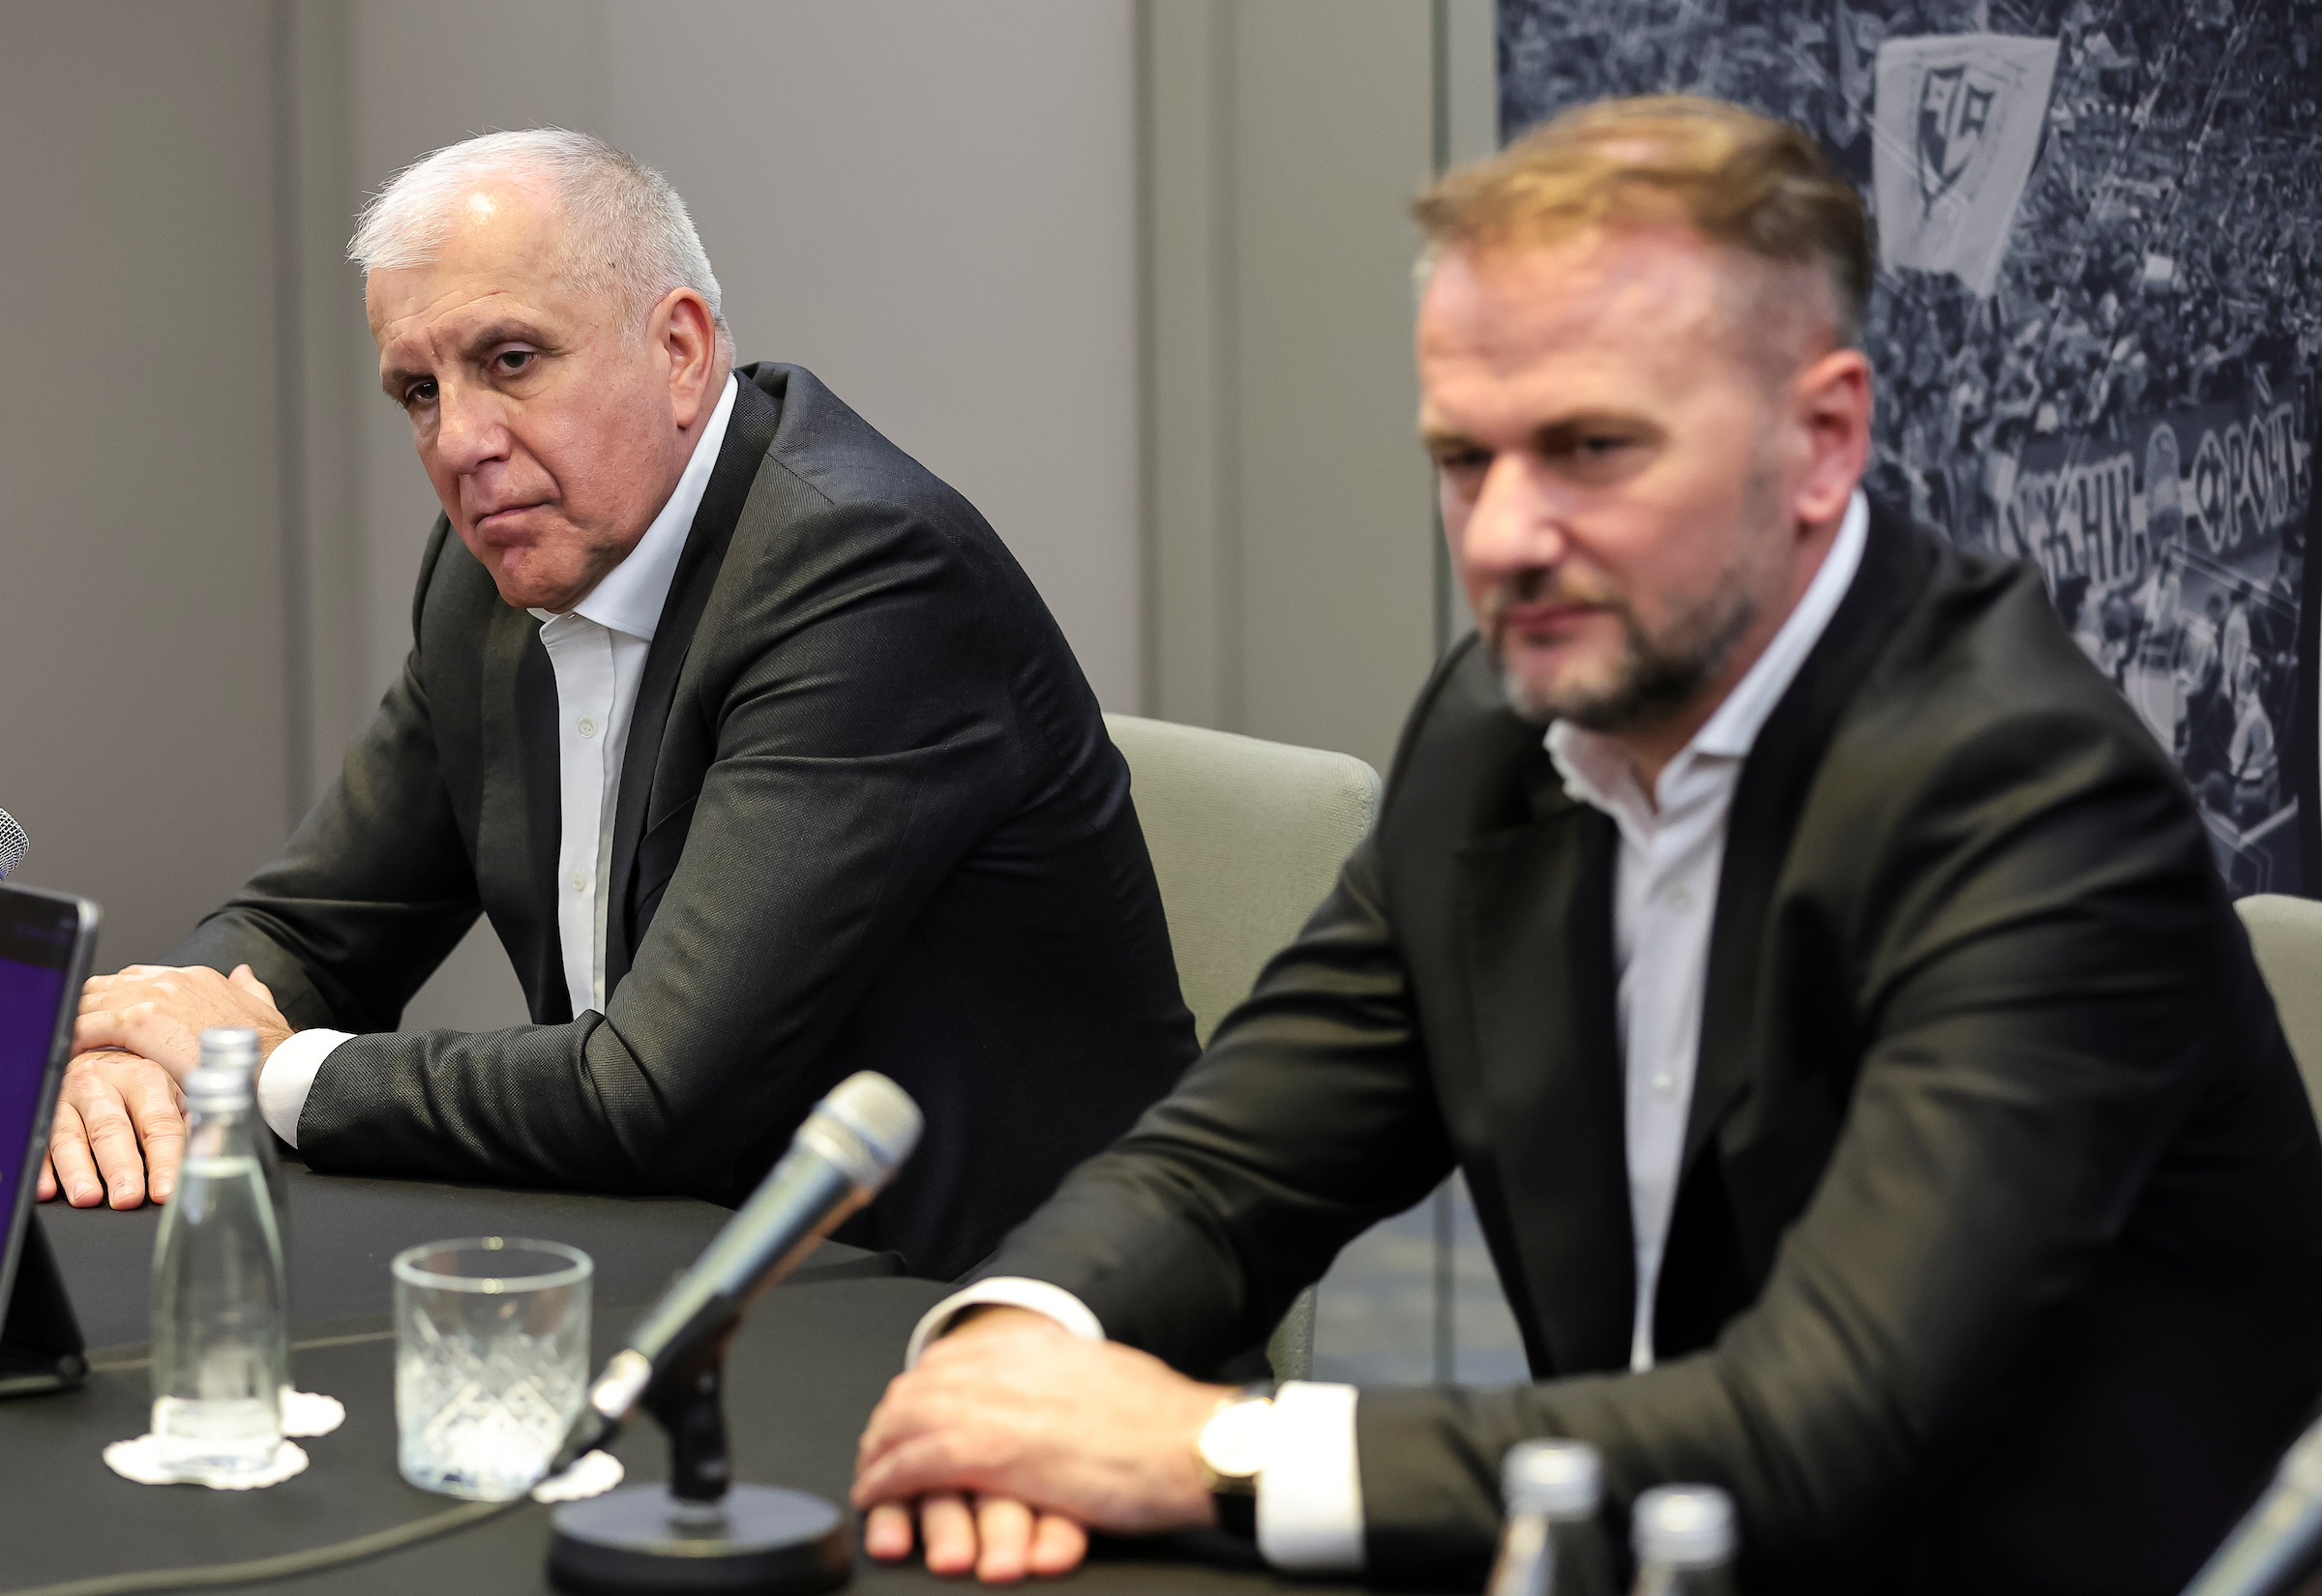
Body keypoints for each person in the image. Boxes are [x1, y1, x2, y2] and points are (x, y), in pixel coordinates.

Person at [849, 97, 2322, 1592]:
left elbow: (1829, 1425)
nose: (1501, 537)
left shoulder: (2035, 803)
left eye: (1590, 448)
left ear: (1822, 442)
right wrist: (1018, 1349)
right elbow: (1227, 1158)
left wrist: (1201, 1447)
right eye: (1463, 459)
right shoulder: (1505, 724)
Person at [43, 131, 1198, 1280]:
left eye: (510, 360)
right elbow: (311, 925)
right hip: (667, 1252)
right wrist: (137, 1053)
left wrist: (261, 1068)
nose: (461, 443)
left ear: (681, 350)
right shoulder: (489, 568)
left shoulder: (862, 576)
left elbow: (654, 1093)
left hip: (974, 1303)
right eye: (417, 390)